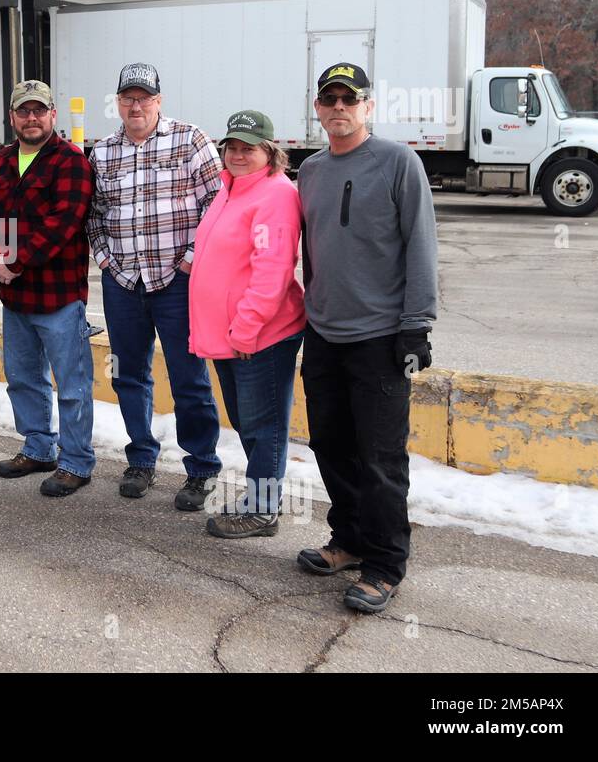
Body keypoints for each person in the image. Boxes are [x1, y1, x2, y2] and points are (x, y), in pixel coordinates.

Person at [296, 62, 438, 614]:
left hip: (382, 337)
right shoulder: (309, 170)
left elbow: (421, 244)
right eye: (329, 100)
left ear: (368, 106)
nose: (338, 108)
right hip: (324, 332)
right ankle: (350, 540)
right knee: (330, 444)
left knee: (380, 457)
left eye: (348, 100)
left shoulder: (399, 163)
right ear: (317, 108)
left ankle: (385, 563)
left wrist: (416, 324)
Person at [86, 62, 224, 509]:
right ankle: (141, 458)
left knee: (189, 377)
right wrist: (105, 259)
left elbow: (218, 203)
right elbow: (94, 214)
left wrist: (190, 260)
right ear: (118, 102)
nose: (136, 105)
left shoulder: (190, 140)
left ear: (159, 101)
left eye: (144, 98)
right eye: (128, 98)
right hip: (123, 281)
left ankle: (201, 467)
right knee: (129, 374)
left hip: (177, 281)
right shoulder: (103, 151)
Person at [188, 110, 306, 538]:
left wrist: (247, 329)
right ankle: (261, 497)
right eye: (232, 146)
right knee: (246, 422)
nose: (238, 154)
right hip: (231, 336)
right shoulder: (230, 189)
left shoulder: (274, 196)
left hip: (258, 337)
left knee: (265, 425)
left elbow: (271, 271)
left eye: (248, 148)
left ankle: (263, 508)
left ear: (270, 153)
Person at [0, 80, 96, 497]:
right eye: (23, 111)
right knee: (23, 379)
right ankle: (37, 448)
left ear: (52, 115)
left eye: (39, 111)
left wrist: (16, 260)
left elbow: (63, 224)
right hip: (15, 297)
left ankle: (76, 461)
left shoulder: (70, 162)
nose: (32, 118)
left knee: (71, 383)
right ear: (12, 117)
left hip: (58, 296)